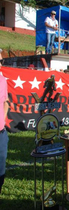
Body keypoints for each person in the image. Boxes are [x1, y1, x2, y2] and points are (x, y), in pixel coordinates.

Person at [0, 53, 9, 193]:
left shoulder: (2, 80)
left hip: (1, 133)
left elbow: (6, 102)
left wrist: (2, 119)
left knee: (1, 170)